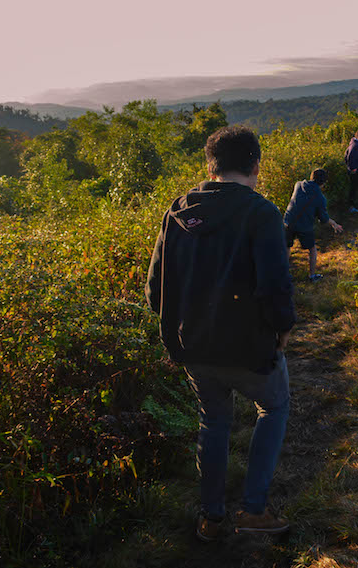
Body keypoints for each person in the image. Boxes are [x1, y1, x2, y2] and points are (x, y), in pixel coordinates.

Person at [144, 125, 295, 542]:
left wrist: (177, 328)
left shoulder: (177, 211)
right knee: (275, 407)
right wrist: (282, 329)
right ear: (255, 165)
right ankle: (253, 510)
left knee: (213, 422)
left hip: (193, 345)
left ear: (209, 166)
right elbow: (275, 285)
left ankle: (211, 518)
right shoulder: (261, 212)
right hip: (248, 346)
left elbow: (155, 287)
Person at [283, 168, 343, 281]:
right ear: (324, 183)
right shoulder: (320, 198)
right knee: (312, 249)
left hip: (288, 221)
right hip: (304, 226)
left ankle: (283, 275)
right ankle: (312, 276)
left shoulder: (298, 184)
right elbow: (324, 219)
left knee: (287, 246)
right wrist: (334, 223)